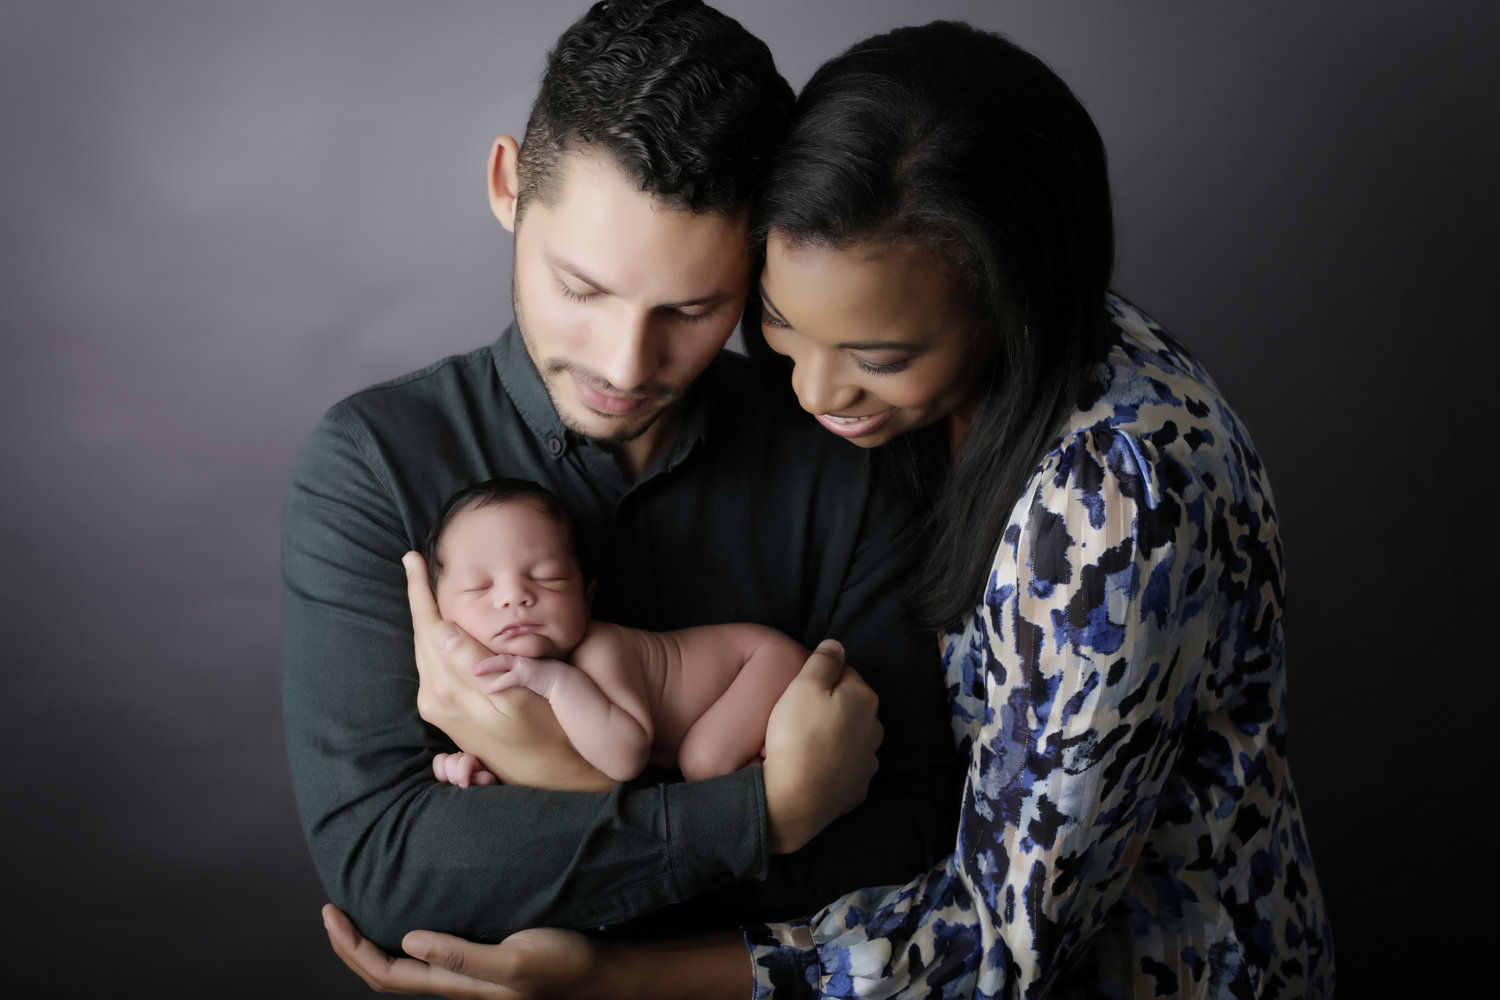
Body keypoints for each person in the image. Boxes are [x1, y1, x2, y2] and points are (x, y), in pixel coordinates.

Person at [324, 18, 1336, 999]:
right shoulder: (886, 394)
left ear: (1007, 309)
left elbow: (988, 927)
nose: (813, 392)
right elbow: (391, 873)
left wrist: (613, 952)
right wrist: (760, 809)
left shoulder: (1113, 507)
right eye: (779, 323)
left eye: (878, 356)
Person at [284, 0, 960, 954]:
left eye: (692, 308)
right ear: (508, 186)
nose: (625, 364)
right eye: (582, 289)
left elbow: (909, 835)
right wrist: (767, 816)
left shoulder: (844, 458)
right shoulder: (373, 463)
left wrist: (556, 809)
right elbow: (389, 873)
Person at [422, 477, 806, 784]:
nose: (515, 595)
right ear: (439, 613)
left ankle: (793, 765)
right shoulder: (479, 690)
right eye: (479, 586)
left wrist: (556, 682)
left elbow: (624, 758)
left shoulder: (598, 648)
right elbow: (545, 756)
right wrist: (476, 762)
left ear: (586, 600)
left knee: (706, 763)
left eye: (547, 578)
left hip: (759, 660)